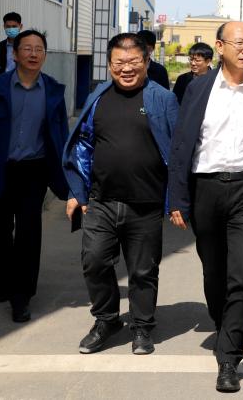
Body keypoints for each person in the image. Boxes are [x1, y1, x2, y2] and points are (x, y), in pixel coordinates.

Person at [167, 21, 243, 393]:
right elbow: (182, 143)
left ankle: (228, 357)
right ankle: (225, 325)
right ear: (220, 47)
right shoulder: (198, 87)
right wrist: (177, 197)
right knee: (214, 272)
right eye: (239, 42)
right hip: (205, 188)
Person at [62, 33, 178, 356]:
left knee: (143, 270)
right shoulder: (98, 97)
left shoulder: (162, 99)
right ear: (109, 64)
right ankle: (106, 319)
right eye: (119, 63)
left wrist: (177, 200)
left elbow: (178, 151)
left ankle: (141, 326)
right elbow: (83, 145)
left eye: (133, 62)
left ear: (146, 62)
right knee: (94, 261)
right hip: (101, 200)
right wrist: (77, 191)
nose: (126, 68)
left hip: (146, 202)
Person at [0, 30, 69, 322]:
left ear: (45, 55)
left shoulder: (53, 91)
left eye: (39, 49)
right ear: (15, 54)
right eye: (27, 48)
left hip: (34, 170)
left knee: (29, 233)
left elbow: (61, 135)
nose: (33, 54)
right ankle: (4, 280)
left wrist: (68, 173)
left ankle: (22, 296)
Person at [0, 11, 22, 76]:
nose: (11, 29)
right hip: (2, 81)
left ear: (20, 26)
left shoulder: (26, 46)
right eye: (8, 26)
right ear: (4, 27)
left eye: (14, 26)